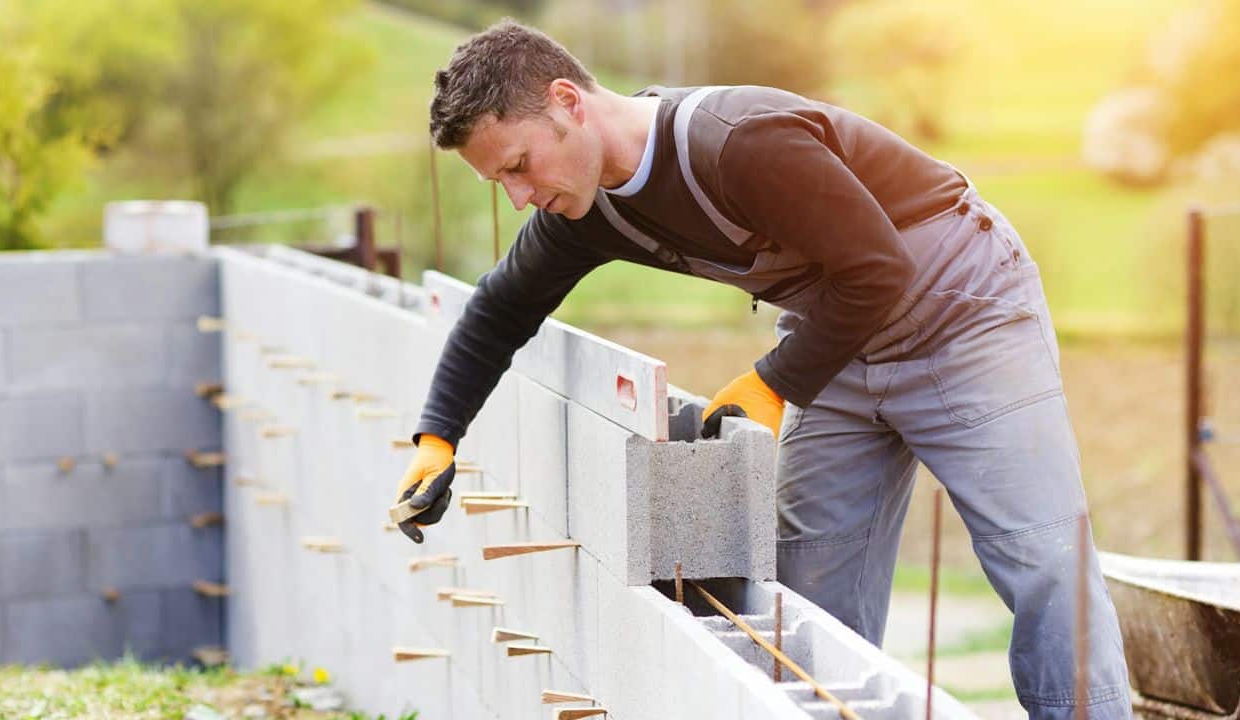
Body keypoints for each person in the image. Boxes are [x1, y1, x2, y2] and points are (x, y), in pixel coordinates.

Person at [395, 19, 1132, 720]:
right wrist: (439, 438)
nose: (522, 196)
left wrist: (775, 384)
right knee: (807, 599)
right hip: (838, 341)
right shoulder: (583, 214)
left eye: (519, 166)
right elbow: (498, 311)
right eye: (503, 184)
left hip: (960, 314)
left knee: (1042, 561)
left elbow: (879, 267)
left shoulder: (737, 142)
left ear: (567, 102)